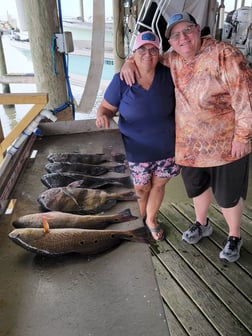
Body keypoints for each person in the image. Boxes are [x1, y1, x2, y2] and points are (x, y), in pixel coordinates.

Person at [120, 12, 252, 262]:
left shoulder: (226, 54)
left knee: (228, 197)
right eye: (175, 35)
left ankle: (234, 236)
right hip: (190, 147)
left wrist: (243, 138)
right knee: (198, 189)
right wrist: (129, 60)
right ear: (170, 42)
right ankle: (202, 224)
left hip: (226, 146)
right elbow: (147, 56)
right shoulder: (173, 59)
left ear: (198, 29)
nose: (183, 38)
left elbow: (246, 99)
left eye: (187, 30)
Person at [96, 31, 180, 241]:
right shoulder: (122, 79)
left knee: (159, 185)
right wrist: (103, 116)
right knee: (141, 189)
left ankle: (151, 220)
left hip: (167, 148)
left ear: (159, 53)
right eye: (141, 49)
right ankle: (136, 222)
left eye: (152, 49)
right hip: (135, 151)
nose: (147, 54)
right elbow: (105, 108)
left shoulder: (169, 74)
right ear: (133, 53)